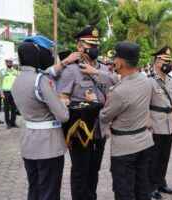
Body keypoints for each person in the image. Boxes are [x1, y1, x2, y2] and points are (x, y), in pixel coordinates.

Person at [89, 41, 154, 200]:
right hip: (144, 142)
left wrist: (94, 101)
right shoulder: (145, 81)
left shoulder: (119, 92)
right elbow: (119, 79)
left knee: (124, 191)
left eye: (115, 59)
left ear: (118, 63)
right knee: (142, 187)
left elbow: (104, 116)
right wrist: (96, 72)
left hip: (125, 149)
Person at [58, 25, 114, 200]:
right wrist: (65, 133)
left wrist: (108, 125)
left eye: (96, 43)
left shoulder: (104, 70)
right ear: (79, 47)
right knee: (80, 171)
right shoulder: (71, 70)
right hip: (79, 131)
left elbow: (109, 97)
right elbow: (63, 100)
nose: (95, 47)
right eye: (90, 44)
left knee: (94, 169)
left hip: (100, 127)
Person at [11, 36, 70, 200]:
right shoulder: (41, 80)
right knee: (49, 192)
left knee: (35, 190)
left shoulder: (17, 80)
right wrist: (62, 102)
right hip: (48, 145)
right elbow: (63, 116)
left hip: (29, 142)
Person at [148, 46, 172, 199]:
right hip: (155, 123)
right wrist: (148, 124)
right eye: (166, 61)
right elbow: (145, 104)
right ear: (158, 63)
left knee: (165, 155)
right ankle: (151, 186)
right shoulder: (150, 81)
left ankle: (161, 183)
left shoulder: (171, 80)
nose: (169, 63)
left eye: (169, 61)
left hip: (168, 123)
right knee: (154, 156)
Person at [0, 59, 18, 129]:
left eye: (11, 62)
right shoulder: (2, 72)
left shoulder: (16, 72)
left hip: (14, 92)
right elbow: (0, 84)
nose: (10, 63)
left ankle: (13, 123)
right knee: (6, 108)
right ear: (6, 63)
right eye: (8, 62)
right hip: (6, 93)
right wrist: (1, 93)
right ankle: (8, 123)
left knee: (14, 108)